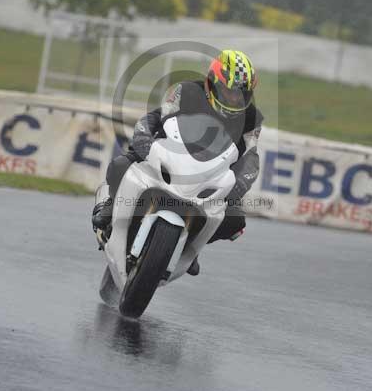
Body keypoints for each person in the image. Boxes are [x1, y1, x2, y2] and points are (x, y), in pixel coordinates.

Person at [92, 49, 263, 276]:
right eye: (229, 92)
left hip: (213, 173)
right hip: (169, 153)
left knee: (235, 221)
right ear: (212, 83)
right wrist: (144, 139)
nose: (234, 99)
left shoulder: (251, 118)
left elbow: (251, 157)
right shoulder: (187, 91)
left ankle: (192, 245)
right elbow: (154, 117)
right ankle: (110, 205)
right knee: (121, 165)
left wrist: (240, 184)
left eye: (241, 94)